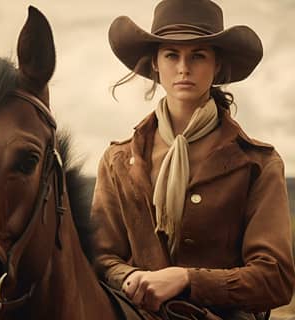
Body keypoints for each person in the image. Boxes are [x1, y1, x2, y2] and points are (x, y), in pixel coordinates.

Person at [90, 0, 295, 319]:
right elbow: (100, 257)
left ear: (216, 65)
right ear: (156, 63)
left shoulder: (258, 163)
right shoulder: (118, 160)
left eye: (198, 55)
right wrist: (129, 278)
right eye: (172, 54)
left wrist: (187, 280)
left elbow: (276, 278)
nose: (183, 67)